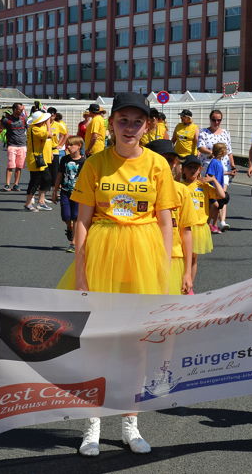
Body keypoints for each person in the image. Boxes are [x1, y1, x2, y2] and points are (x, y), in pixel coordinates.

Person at [57, 91, 177, 457]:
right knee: (97, 341)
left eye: (137, 122)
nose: (129, 128)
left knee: (136, 345)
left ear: (148, 126)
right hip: (102, 253)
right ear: (110, 124)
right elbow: (82, 221)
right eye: (123, 120)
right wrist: (81, 270)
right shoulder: (95, 164)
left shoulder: (158, 165)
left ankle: (130, 423)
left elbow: (166, 220)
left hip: (143, 255)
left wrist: (165, 267)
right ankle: (92, 423)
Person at [147, 139, 197, 294]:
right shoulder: (140, 189)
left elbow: (186, 232)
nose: (165, 164)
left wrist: (187, 272)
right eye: (160, 158)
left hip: (173, 259)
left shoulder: (182, 191)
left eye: (169, 160)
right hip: (144, 258)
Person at [181, 154, 224, 283]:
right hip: (183, 226)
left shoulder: (203, 186)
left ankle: (189, 286)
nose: (193, 170)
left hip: (198, 226)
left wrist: (213, 180)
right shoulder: (180, 185)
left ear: (200, 169)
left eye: (196, 167)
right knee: (181, 257)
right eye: (189, 167)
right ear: (183, 169)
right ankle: (179, 281)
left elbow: (221, 195)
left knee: (193, 258)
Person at [197, 109, 236, 230]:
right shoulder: (204, 132)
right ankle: (208, 221)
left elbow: (229, 151)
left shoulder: (225, 133)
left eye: (219, 120)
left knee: (222, 195)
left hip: (224, 168)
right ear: (210, 119)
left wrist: (233, 166)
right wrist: (213, 153)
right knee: (211, 198)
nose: (216, 122)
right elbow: (201, 147)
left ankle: (222, 221)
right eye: (214, 119)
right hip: (209, 167)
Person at [54, 135, 85, 253]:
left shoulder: (84, 161)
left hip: (78, 194)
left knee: (76, 217)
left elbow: (86, 180)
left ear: (79, 146)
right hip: (65, 192)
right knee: (66, 216)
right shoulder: (65, 159)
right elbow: (59, 175)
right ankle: (69, 227)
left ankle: (73, 243)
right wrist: (55, 191)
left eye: (72, 145)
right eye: (68, 144)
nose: (69, 147)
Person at [23, 110, 54, 212]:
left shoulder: (38, 127)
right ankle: (28, 203)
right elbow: (50, 134)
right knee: (35, 181)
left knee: (47, 178)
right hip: (35, 158)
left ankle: (41, 201)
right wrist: (48, 123)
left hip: (39, 157)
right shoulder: (35, 129)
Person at [205, 142, 231, 234]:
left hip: (218, 190)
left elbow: (219, 174)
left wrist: (229, 173)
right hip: (212, 189)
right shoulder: (214, 162)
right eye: (225, 150)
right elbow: (210, 175)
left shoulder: (219, 162)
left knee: (218, 207)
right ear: (221, 152)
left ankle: (214, 226)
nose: (226, 151)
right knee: (215, 206)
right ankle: (206, 224)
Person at [0, 102, 27, 191]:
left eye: (22, 109)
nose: (21, 111)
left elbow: (30, 128)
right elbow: (0, 129)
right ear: (15, 110)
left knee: (19, 166)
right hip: (12, 145)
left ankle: (16, 184)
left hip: (22, 145)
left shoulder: (24, 119)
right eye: (20, 109)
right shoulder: (7, 120)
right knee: (11, 165)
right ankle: (7, 184)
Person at [47, 107, 67, 200]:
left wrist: (60, 144)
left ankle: (55, 192)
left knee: (55, 172)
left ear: (54, 116)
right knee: (45, 172)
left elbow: (65, 134)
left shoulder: (58, 125)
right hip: (45, 150)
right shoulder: (43, 124)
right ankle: (43, 191)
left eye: (52, 115)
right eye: (49, 115)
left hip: (54, 150)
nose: (50, 117)